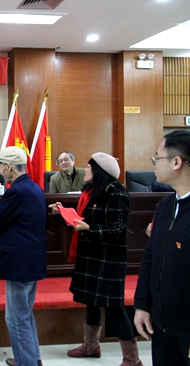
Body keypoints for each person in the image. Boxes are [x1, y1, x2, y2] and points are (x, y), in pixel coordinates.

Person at [49, 152, 143, 365]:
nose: (86, 171)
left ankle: (132, 358)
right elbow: (81, 221)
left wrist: (90, 228)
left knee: (114, 307)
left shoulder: (116, 192)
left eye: (90, 168)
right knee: (91, 301)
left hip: (108, 258)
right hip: (91, 254)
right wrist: (62, 215)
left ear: (100, 171)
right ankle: (91, 345)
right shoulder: (91, 191)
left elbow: (119, 229)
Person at [0, 146, 46, 366]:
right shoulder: (34, 187)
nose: (0, 172)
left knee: (16, 317)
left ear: (9, 166)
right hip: (31, 260)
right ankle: (32, 359)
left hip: (19, 263)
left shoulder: (17, 191)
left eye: (1, 167)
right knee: (25, 314)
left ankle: (26, 363)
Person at [134, 130, 190, 366]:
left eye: (158, 158)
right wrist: (141, 304)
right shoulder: (165, 206)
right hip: (161, 325)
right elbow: (151, 257)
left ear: (176, 162)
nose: (154, 163)